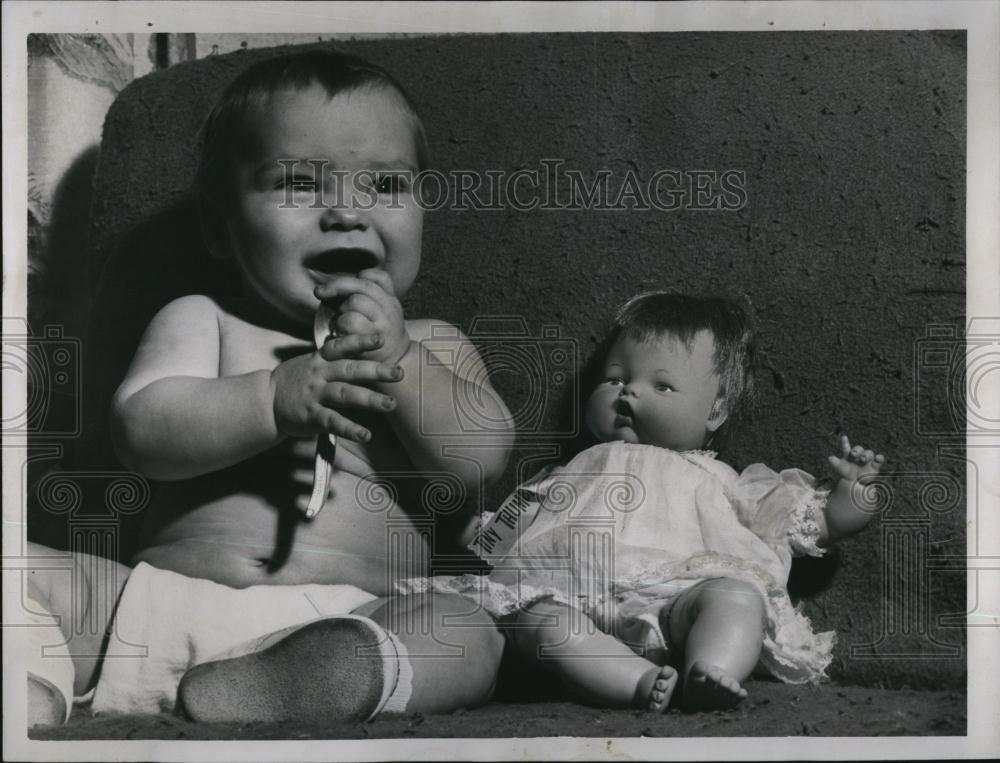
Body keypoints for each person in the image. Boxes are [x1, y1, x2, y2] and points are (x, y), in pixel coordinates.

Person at [23, 49, 513, 727]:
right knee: (22, 570)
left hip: (349, 617)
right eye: (300, 184)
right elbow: (142, 429)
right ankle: (27, 689)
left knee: (469, 629)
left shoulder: (434, 344)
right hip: (150, 609)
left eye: (386, 185)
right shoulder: (206, 320)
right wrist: (270, 399)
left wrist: (401, 358)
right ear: (222, 228)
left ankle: (312, 681)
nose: (346, 212)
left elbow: (478, 462)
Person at [401, 292, 885, 713]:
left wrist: (852, 496)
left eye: (663, 385)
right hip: (567, 594)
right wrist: (456, 520)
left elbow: (807, 524)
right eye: (614, 377)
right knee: (538, 621)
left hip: (675, 601)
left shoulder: (718, 478)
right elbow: (497, 537)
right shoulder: (568, 473)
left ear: (715, 409)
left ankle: (710, 669)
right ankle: (635, 683)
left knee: (737, 596)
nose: (628, 390)